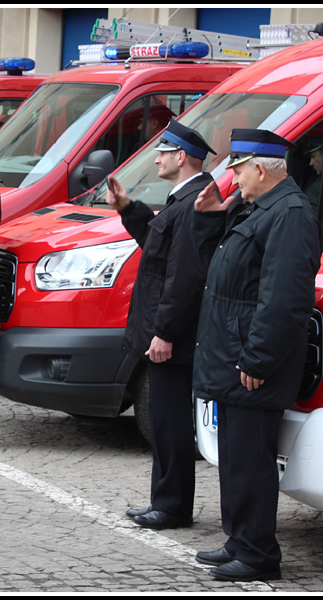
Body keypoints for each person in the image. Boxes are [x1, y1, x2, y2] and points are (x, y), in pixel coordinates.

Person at [191, 129, 322, 582]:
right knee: (237, 457)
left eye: (238, 168)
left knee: (251, 459)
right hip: (235, 353)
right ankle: (239, 539)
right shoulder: (259, 208)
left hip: (251, 360)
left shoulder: (288, 214)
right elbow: (225, 270)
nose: (233, 177)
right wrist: (210, 219)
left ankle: (257, 552)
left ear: (261, 168)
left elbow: (284, 299)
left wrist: (258, 358)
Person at [106, 120, 215, 530]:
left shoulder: (191, 203)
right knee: (165, 420)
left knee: (169, 423)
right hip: (164, 329)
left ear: (181, 157)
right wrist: (128, 209)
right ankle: (166, 501)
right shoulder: (182, 199)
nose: (156, 158)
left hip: (173, 335)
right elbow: (157, 246)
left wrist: (165, 332)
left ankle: (171, 506)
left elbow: (183, 277)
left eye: (163, 151)